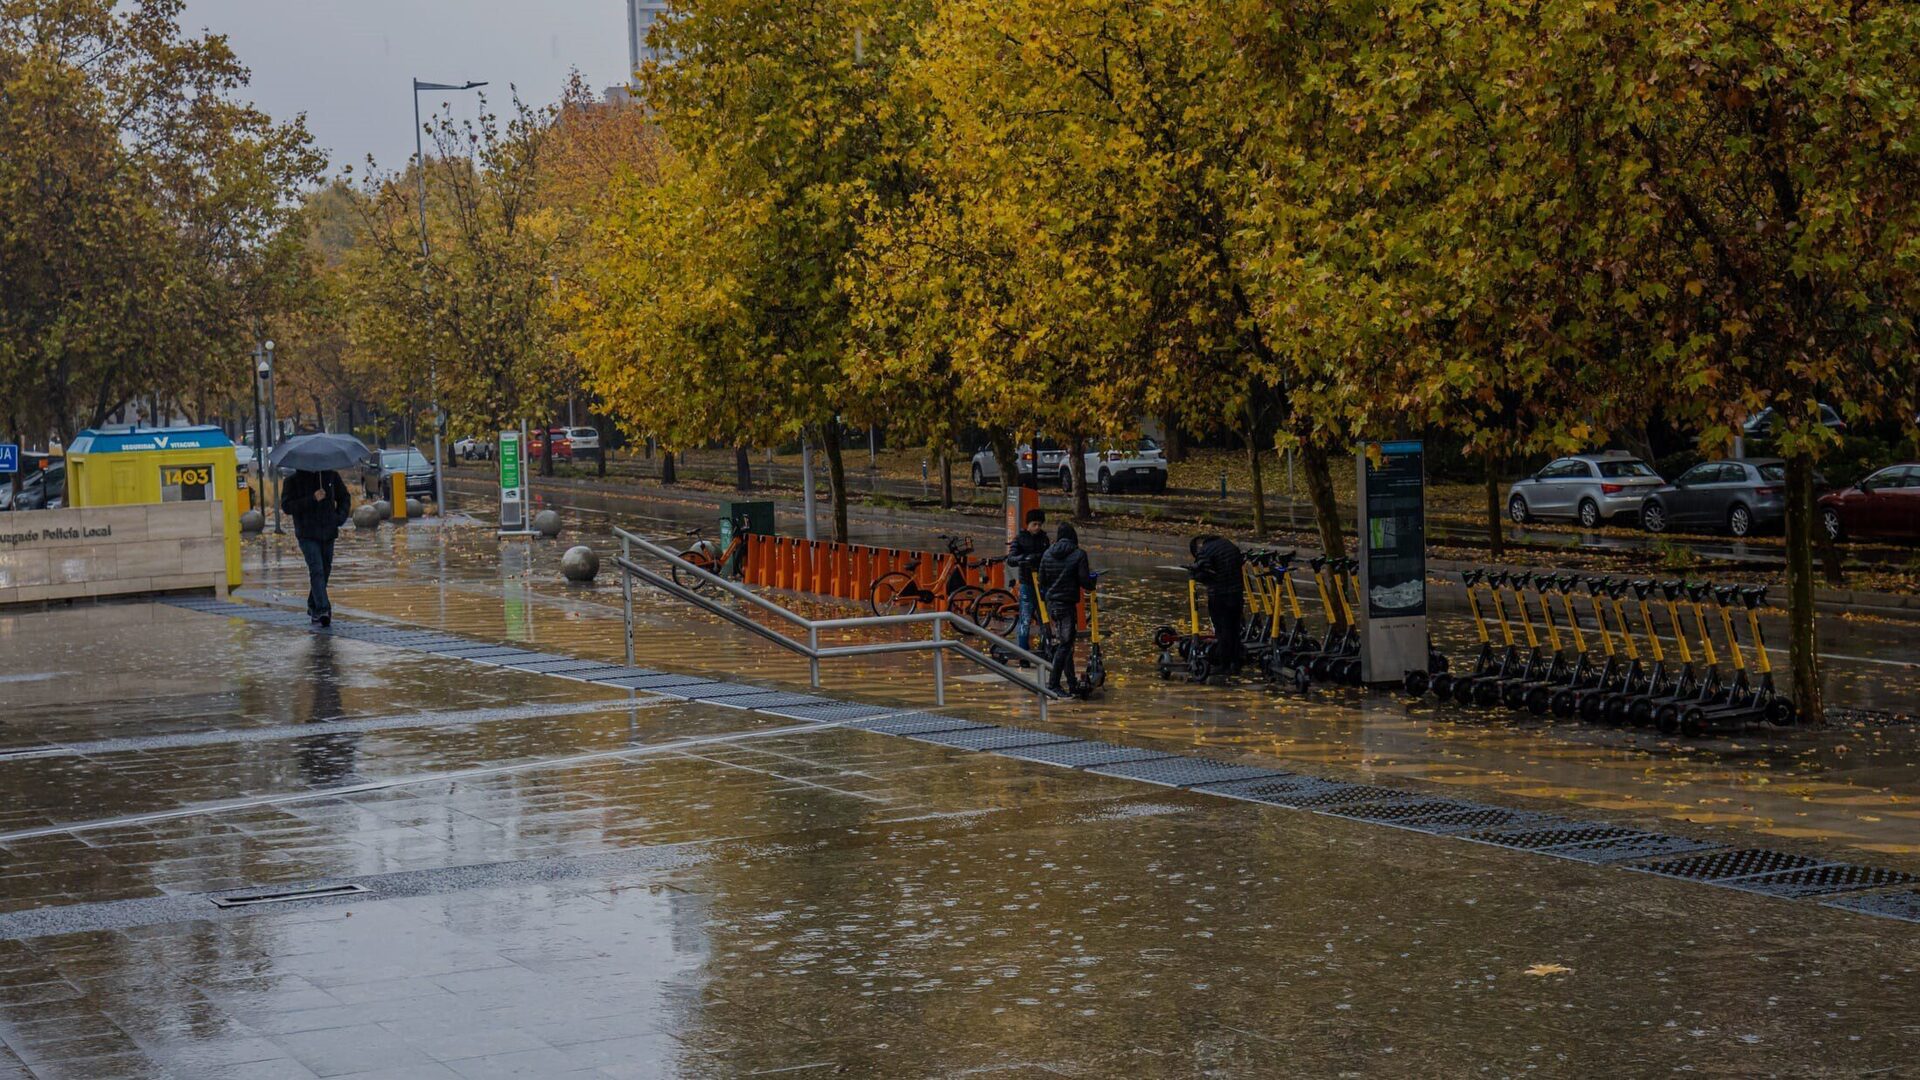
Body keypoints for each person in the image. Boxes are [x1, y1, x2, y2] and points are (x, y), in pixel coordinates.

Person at [282, 468, 351, 626]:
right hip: (307, 533)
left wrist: (339, 518)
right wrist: (312, 498)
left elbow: (344, 497)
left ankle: (313, 604)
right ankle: (322, 610)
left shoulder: (330, 476)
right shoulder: (292, 481)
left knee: (325, 570)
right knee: (317, 569)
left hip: (328, 531)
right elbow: (287, 506)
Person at [1037, 521, 1097, 696]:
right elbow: (1084, 580)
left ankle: (1072, 683)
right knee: (1065, 645)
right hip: (1067, 605)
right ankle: (1053, 683)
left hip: (1052, 605)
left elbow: (1042, 579)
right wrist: (1092, 584)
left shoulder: (1047, 553)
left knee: (1066, 644)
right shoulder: (1079, 554)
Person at [1186, 534, 1245, 677]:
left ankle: (1224, 664)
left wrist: (1195, 575)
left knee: (1222, 630)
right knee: (1234, 629)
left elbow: (1204, 571)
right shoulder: (1230, 545)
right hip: (1236, 593)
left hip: (1219, 595)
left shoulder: (1206, 550)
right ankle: (1235, 663)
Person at [1007, 508, 1049, 663]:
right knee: (1025, 617)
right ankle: (1023, 652)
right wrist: (1024, 559)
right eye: (1034, 524)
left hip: (1042, 582)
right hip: (1027, 582)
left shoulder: (1044, 538)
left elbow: (1047, 555)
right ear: (1028, 525)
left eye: (1039, 524)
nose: (1037, 527)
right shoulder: (1020, 539)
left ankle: (1045, 648)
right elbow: (1011, 558)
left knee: (1044, 617)